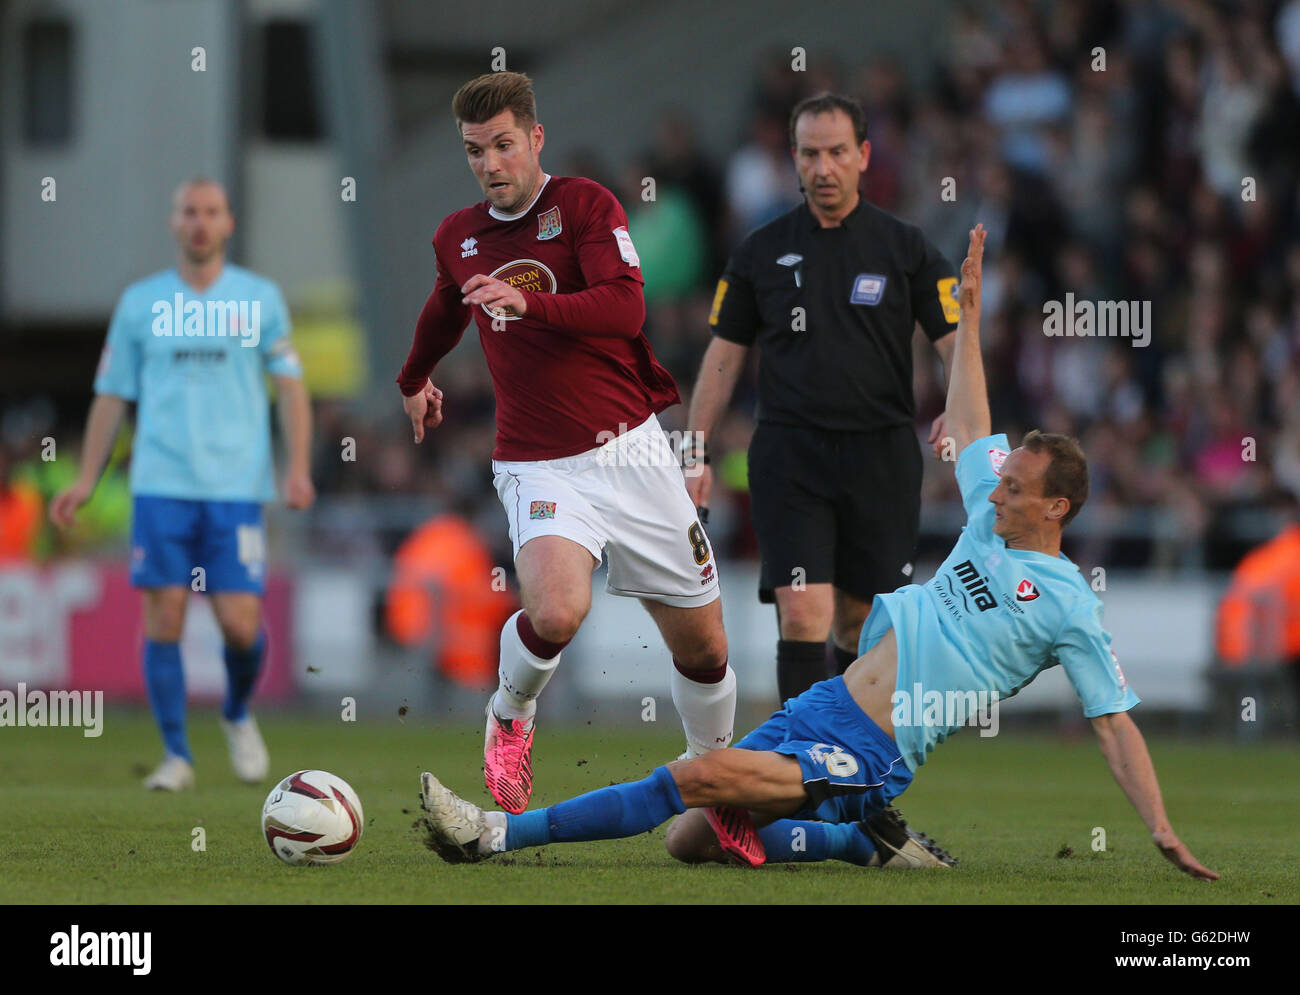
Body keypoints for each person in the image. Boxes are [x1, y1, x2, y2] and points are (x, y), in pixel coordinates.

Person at [418, 225, 1218, 881]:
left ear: (1057, 508)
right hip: (823, 706)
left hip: (870, 748)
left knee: (693, 778)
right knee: (688, 840)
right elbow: (971, 424)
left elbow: (1113, 723)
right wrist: (967, 319)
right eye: (1000, 480)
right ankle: (859, 841)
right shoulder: (987, 518)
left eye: (1015, 487)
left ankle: (494, 833)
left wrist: (1161, 826)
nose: (994, 488)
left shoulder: (1071, 604)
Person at [396, 73, 733, 816]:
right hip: (537, 459)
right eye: (475, 150)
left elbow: (625, 306)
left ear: (535, 139)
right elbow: (445, 306)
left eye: (503, 145)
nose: (490, 163)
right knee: (554, 612)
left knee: (705, 647)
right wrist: (414, 375)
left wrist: (531, 302)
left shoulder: (584, 205)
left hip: (633, 450)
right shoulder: (459, 234)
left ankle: (715, 783)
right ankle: (510, 714)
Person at [685, 92, 960, 703]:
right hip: (790, 453)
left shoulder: (904, 248)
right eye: (810, 154)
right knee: (803, 610)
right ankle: (802, 781)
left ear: (863, 155)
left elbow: (955, 342)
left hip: (882, 456)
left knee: (859, 623)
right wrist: (693, 451)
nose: (823, 168)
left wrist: (958, 404)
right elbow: (724, 354)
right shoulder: (761, 250)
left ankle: (851, 786)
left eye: (837, 152)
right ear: (794, 159)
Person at [50, 179, 314, 790]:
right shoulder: (141, 303)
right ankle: (176, 756)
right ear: (174, 224)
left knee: (240, 624)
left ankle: (238, 712)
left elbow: (292, 387)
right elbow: (111, 395)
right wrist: (87, 478)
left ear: (229, 224)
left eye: (211, 212)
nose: (200, 223)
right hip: (161, 482)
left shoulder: (259, 299)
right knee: (164, 615)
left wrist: (296, 466)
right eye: (190, 212)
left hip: (236, 486)